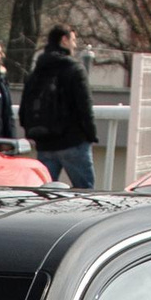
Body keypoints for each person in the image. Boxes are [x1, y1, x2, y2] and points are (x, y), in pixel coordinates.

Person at [19, 24, 98, 189]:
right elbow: (85, 106)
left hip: (45, 143)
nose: (75, 45)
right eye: (73, 40)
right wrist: (91, 135)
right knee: (86, 193)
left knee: (44, 194)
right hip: (74, 141)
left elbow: (24, 108)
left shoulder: (37, 72)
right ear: (64, 40)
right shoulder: (74, 69)